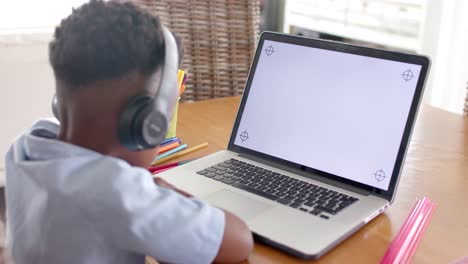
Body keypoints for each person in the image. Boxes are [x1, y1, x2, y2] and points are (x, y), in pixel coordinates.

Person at [4, 1, 253, 263]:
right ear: (147, 124)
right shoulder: (118, 192)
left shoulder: (26, 147)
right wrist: (163, 191)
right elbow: (238, 241)